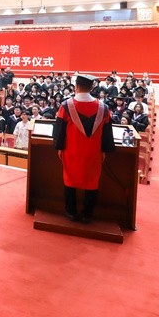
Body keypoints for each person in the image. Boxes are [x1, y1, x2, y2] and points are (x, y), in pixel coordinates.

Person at [53, 73, 116, 223]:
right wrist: (103, 150)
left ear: (76, 87)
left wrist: (59, 147)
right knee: (92, 181)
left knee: (70, 179)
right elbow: (107, 133)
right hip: (93, 152)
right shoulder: (103, 108)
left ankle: (71, 211)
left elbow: (59, 131)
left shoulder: (66, 106)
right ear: (91, 88)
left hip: (72, 151)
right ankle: (88, 214)